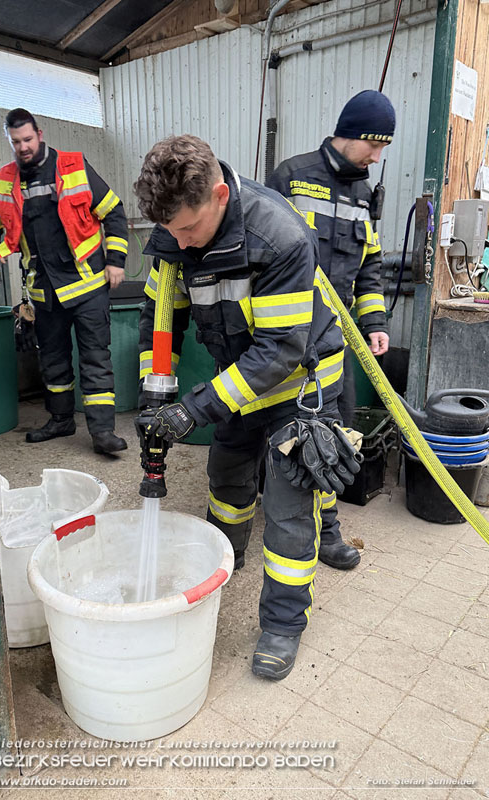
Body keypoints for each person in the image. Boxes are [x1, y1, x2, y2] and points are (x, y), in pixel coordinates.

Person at [134, 134, 346, 680]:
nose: (179, 244)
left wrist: (194, 410)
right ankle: (224, 564)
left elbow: (279, 351)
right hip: (237, 384)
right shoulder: (170, 238)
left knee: (288, 510)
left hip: (297, 386)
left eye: (188, 229)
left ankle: (282, 624)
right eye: (168, 231)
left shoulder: (278, 237)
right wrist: (154, 400)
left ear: (221, 195)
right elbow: (159, 322)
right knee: (226, 483)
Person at [266, 89, 395, 570]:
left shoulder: (364, 194)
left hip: (335, 344)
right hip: (285, 337)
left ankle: (328, 529)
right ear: (352, 134)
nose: (378, 157)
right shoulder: (292, 177)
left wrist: (375, 321)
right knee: (264, 428)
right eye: (375, 145)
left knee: (335, 435)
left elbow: (371, 265)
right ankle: (257, 510)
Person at [0, 108, 128, 454]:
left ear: (40, 134)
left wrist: (116, 262)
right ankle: (60, 420)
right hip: (44, 291)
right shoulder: (5, 180)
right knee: (53, 360)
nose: (23, 147)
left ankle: (102, 433)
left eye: (28, 139)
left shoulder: (74, 166)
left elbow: (114, 211)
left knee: (95, 358)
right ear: (9, 141)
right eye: (16, 142)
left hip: (87, 285)